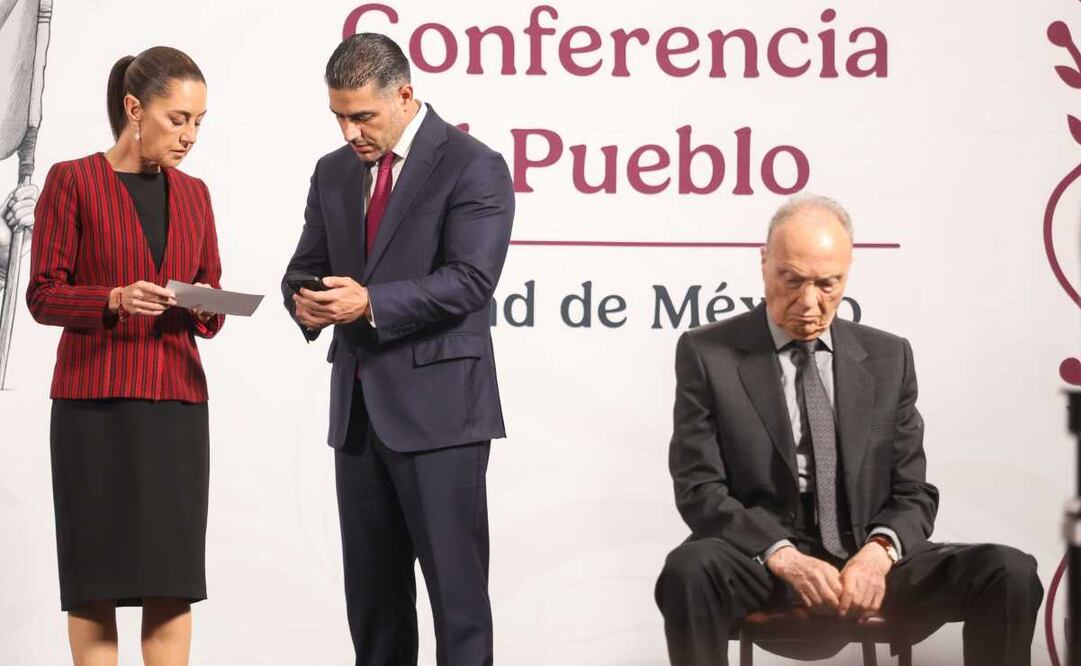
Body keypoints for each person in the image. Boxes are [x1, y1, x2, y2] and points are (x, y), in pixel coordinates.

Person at [654, 194, 1043, 666]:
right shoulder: (706, 353)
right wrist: (783, 556)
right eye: (791, 280)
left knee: (1009, 571)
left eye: (827, 283)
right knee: (688, 570)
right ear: (763, 263)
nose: (809, 303)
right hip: (764, 564)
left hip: (868, 559)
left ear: (848, 272)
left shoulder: (889, 357)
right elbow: (700, 489)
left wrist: (879, 553)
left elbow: (913, 492)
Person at [281, 33, 514, 666]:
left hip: (441, 417)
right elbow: (304, 268)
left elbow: (471, 281)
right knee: (374, 607)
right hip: (358, 416)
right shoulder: (332, 171)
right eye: (338, 116)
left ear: (405, 95)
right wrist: (304, 303)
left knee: (457, 607)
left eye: (362, 115)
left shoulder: (474, 164)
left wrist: (371, 303)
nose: (349, 130)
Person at [26, 46, 223, 666]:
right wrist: (111, 298)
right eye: (177, 119)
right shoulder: (71, 180)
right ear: (135, 109)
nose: (189, 135)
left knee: (172, 584)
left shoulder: (195, 195)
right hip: (94, 406)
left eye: (198, 121)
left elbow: (210, 301)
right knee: (96, 582)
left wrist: (205, 304)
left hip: (176, 406)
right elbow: (42, 295)